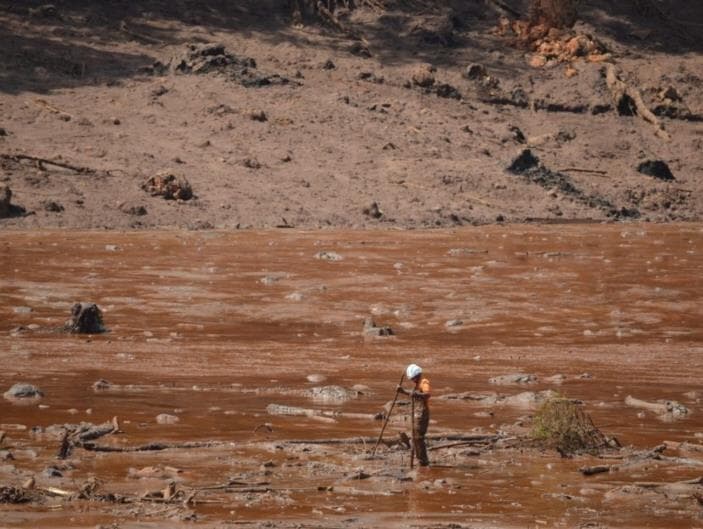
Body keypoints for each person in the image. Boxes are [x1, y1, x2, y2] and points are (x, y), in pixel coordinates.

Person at [397, 363, 431, 466]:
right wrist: (402, 391)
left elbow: (427, 395)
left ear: (417, 375)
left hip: (423, 413)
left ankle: (423, 460)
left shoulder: (424, 382)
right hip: (417, 413)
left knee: (418, 438)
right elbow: (412, 394)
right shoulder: (417, 385)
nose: (412, 380)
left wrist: (414, 394)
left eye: (413, 378)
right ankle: (419, 458)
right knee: (415, 437)